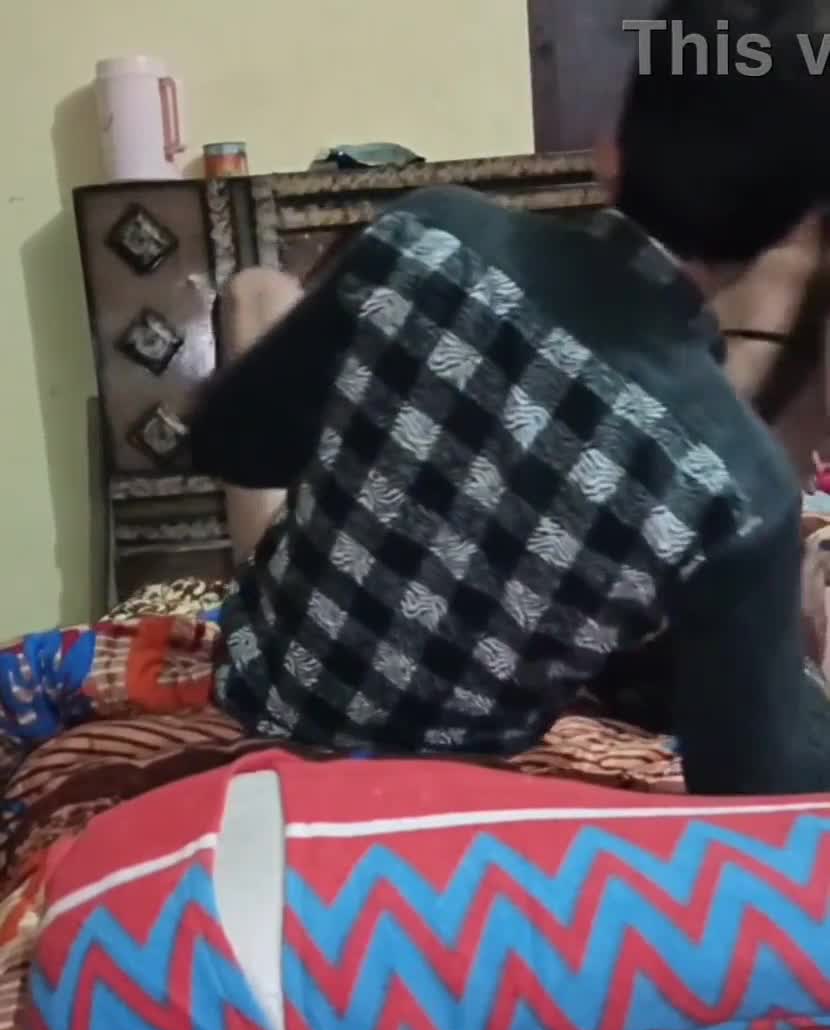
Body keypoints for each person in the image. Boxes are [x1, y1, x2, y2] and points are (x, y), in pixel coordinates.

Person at [189, 0, 830, 795]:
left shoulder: (428, 234)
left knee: (258, 292)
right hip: (455, 779)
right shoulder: (744, 489)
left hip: (257, 695)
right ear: (793, 228)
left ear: (610, 145)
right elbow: (750, 779)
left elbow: (233, 444)